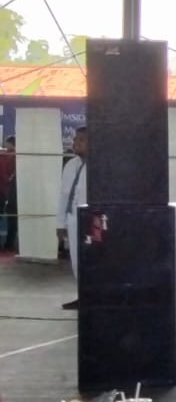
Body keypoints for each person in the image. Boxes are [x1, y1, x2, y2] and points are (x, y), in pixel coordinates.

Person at [57, 127, 88, 306]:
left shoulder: (100, 166)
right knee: (76, 260)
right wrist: (60, 223)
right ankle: (82, 296)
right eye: (75, 139)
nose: (75, 143)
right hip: (72, 217)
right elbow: (63, 195)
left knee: (92, 260)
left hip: (91, 220)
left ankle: (94, 297)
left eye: (81, 140)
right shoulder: (70, 165)